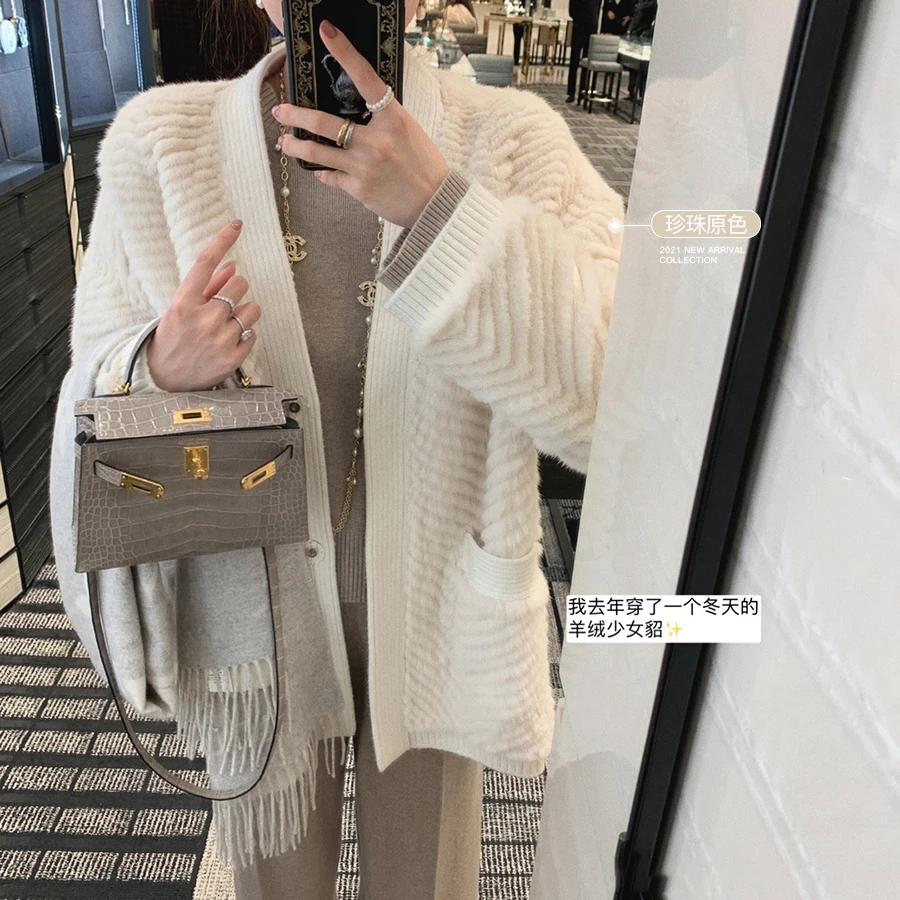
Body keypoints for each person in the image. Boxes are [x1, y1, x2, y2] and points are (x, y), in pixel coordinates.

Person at [63, 0, 623, 897]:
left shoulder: (513, 141)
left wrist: (442, 211)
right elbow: (90, 394)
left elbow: (611, 397)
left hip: (442, 609)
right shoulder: (161, 146)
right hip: (258, 624)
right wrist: (158, 366)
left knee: (425, 883)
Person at [567, 0, 602, 102]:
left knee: (586, 62)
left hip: (590, 28)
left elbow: (597, 9)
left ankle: (583, 90)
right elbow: (572, 10)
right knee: (574, 61)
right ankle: (572, 92)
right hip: (580, 26)